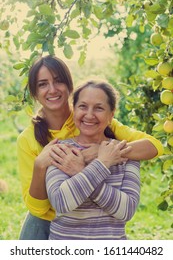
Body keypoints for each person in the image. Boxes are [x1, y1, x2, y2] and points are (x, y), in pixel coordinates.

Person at [17, 55, 163, 240]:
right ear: (34, 93)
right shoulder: (33, 140)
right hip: (47, 221)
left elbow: (154, 146)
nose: (52, 89)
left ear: (69, 86)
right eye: (42, 84)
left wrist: (101, 151)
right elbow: (41, 207)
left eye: (58, 81)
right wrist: (40, 165)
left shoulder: (94, 120)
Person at [46, 80, 140, 239]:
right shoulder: (60, 150)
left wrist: (80, 172)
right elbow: (61, 202)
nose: (89, 115)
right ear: (74, 110)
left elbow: (127, 211)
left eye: (99, 108)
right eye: (82, 106)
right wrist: (102, 164)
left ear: (111, 115)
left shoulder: (123, 152)